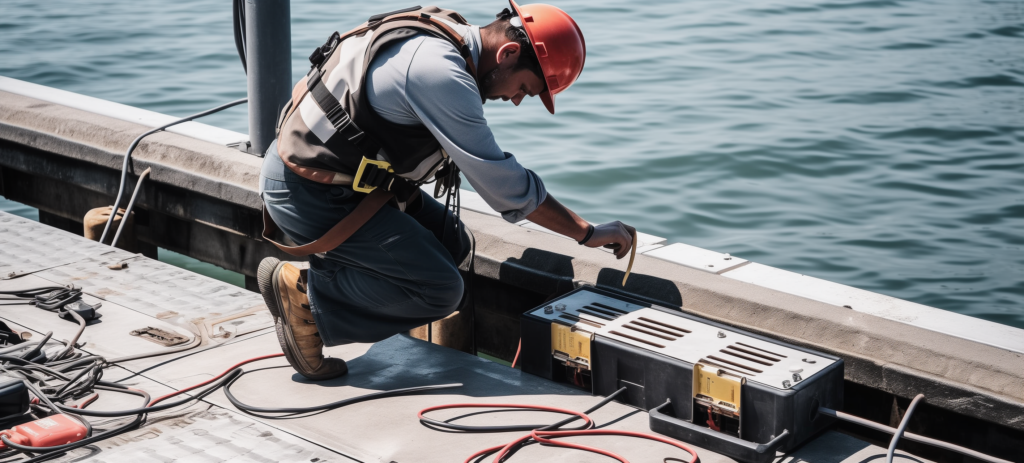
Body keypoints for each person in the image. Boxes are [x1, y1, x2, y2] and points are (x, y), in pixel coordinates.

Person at [257, 1, 634, 380]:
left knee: (453, 243)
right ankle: (309, 304)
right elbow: (507, 189)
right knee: (439, 290)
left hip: (340, 181)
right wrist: (586, 232)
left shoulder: (446, 31)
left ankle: (331, 284)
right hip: (308, 189)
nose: (517, 100)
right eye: (524, 88)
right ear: (509, 53)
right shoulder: (439, 72)